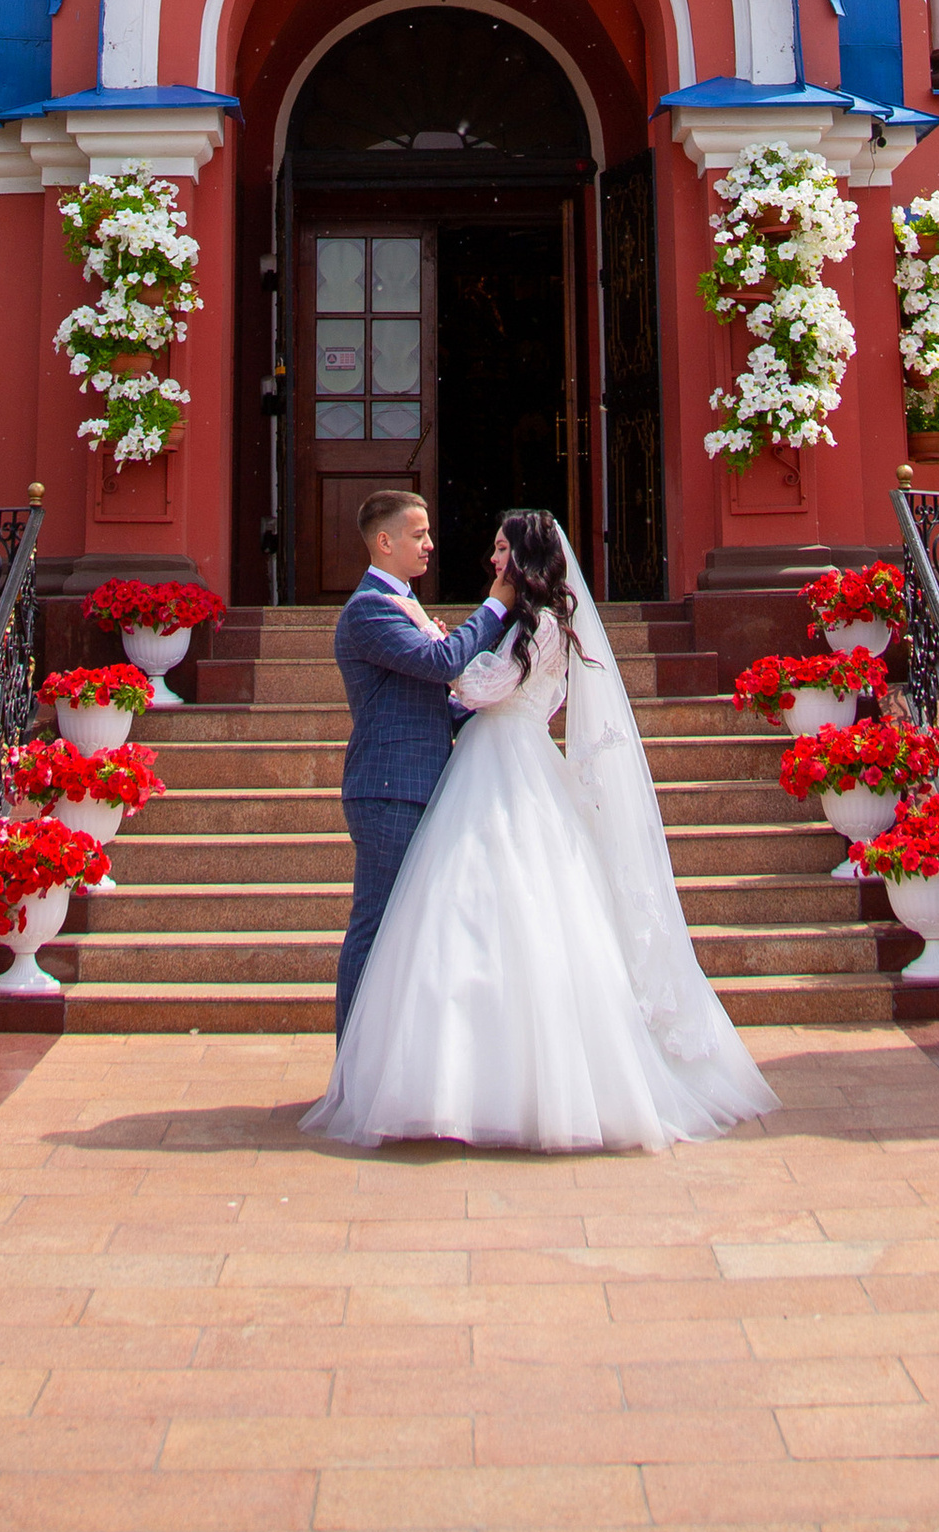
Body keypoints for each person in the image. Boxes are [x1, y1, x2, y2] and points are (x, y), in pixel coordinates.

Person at [306, 505, 778, 1154]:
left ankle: (506, 1085)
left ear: (526, 557)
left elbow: (482, 685)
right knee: (454, 926)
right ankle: (420, 1077)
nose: (492, 559)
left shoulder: (548, 624)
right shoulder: (481, 617)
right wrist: (456, 642)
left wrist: (452, 643)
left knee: (517, 920)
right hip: (471, 769)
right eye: (492, 548)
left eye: (502, 548)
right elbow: (462, 676)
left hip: (511, 770)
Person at [328, 486, 510, 1041]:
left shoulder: (403, 603)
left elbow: (433, 698)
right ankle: (353, 1059)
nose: (431, 544)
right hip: (389, 789)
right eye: (418, 534)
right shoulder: (370, 610)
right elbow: (443, 661)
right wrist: (497, 604)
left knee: (411, 927)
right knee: (377, 923)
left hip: (420, 782)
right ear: (384, 542)